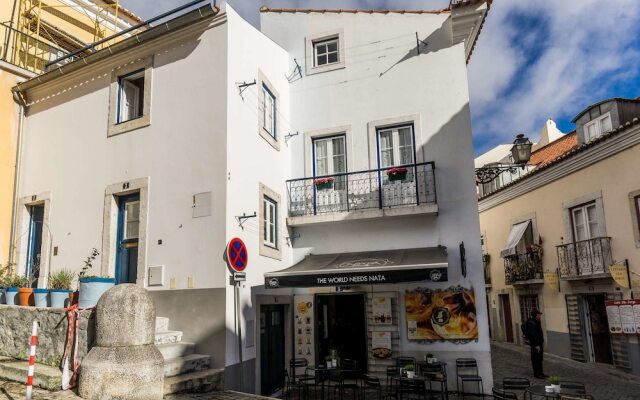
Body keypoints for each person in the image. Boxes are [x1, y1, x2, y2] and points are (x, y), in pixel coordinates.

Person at [524, 309, 547, 378]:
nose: (540, 316)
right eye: (539, 315)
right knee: (535, 359)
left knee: (540, 359)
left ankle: (541, 372)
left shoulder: (536, 321)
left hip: (539, 343)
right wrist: (536, 345)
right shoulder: (531, 323)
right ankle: (537, 374)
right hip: (535, 345)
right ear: (536, 315)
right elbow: (533, 335)